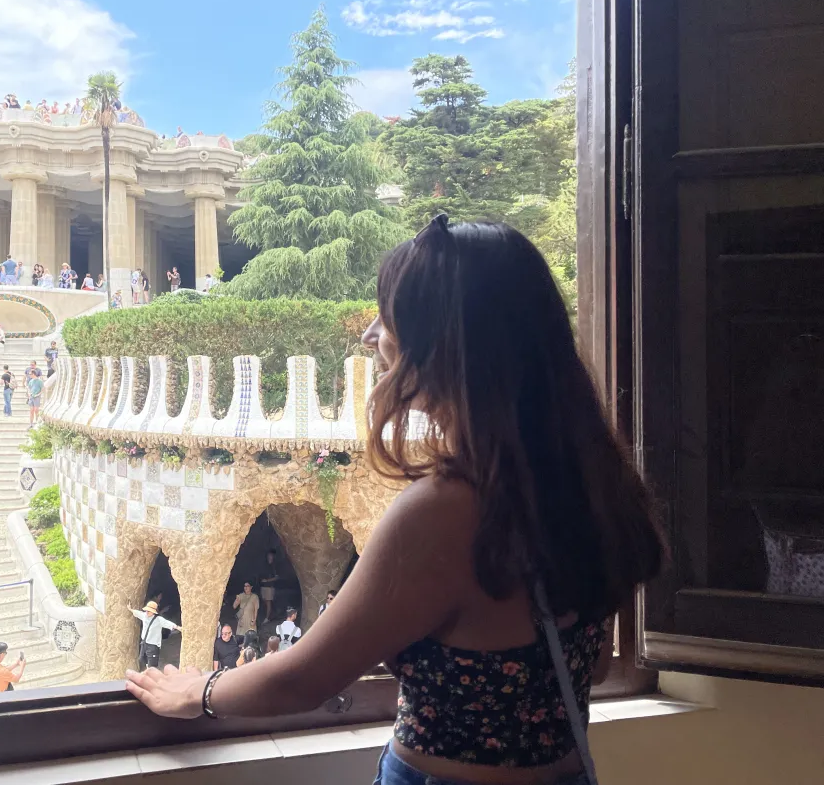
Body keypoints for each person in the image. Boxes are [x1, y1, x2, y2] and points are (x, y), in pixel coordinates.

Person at [125, 218, 664, 785]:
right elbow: (596, 666)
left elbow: (305, 679)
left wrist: (198, 690)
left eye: (391, 318)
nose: (371, 336)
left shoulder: (442, 515)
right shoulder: (590, 481)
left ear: (442, 345)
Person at [130, 601, 181, 670]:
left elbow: (168, 623)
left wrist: (178, 627)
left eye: (149, 611)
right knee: (141, 659)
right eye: (146, 610)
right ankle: (148, 670)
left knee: (152, 664)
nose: (147, 612)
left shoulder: (159, 620)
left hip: (153, 645)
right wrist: (130, 609)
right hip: (144, 643)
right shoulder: (144, 616)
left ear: (153, 612)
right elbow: (137, 613)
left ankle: (151, 675)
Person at [259, 549, 280, 622]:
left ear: (273, 556)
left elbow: (277, 577)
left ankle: (267, 618)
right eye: (268, 555)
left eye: (271, 555)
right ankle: (273, 612)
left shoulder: (274, 566)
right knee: (264, 600)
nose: (269, 556)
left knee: (268, 601)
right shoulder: (265, 564)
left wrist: (267, 580)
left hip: (270, 587)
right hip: (263, 586)